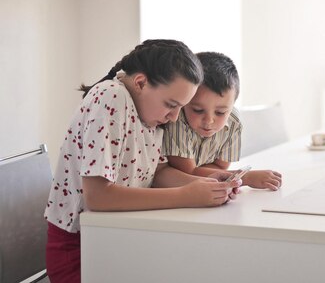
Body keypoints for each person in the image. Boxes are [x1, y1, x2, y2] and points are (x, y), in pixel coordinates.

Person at [44, 40, 241, 283]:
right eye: (171, 105)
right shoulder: (111, 96)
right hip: (81, 248)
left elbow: (158, 173)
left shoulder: (151, 114)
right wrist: (186, 195)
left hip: (120, 237)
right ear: (140, 83)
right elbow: (98, 196)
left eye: (181, 108)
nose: (174, 117)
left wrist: (206, 182)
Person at [163, 51, 282, 190]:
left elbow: (220, 166)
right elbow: (187, 171)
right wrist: (245, 177)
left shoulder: (233, 122)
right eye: (197, 110)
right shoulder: (177, 119)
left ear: (232, 106)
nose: (208, 121)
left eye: (220, 112)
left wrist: (213, 175)